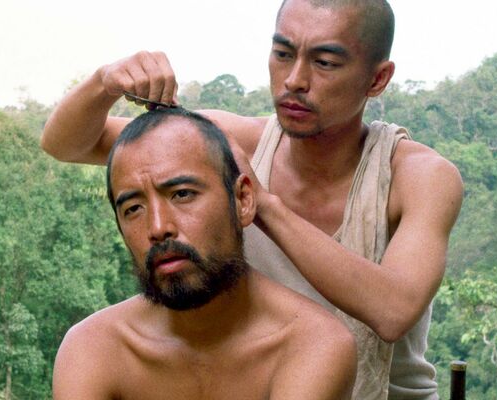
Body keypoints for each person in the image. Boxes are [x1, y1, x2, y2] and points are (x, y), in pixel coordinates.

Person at [42, 0, 463, 398]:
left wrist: (261, 203)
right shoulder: (234, 142)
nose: (295, 79)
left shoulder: (420, 177)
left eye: (325, 62)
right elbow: (67, 144)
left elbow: (393, 310)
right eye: (282, 54)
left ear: (377, 79)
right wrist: (104, 83)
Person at [52, 108, 357, 400]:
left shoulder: (312, 344)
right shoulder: (93, 350)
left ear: (243, 200)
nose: (158, 228)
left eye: (182, 194)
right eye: (133, 209)